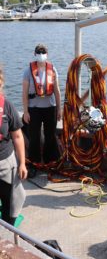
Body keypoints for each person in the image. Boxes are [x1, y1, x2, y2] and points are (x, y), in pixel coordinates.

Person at [22, 44, 61, 174]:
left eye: (43, 52)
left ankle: (51, 162)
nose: (41, 54)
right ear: (34, 54)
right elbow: (24, 92)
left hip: (50, 108)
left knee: (51, 135)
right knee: (35, 137)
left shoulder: (52, 69)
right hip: (34, 109)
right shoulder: (28, 71)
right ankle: (34, 164)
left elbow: (57, 91)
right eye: (39, 52)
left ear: (47, 54)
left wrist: (59, 110)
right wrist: (26, 111)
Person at [0, 66, 27, 225]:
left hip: (6, 164)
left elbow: (17, 136)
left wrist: (22, 163)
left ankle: (8, 228)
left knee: (14, 199)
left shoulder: (7, 107)